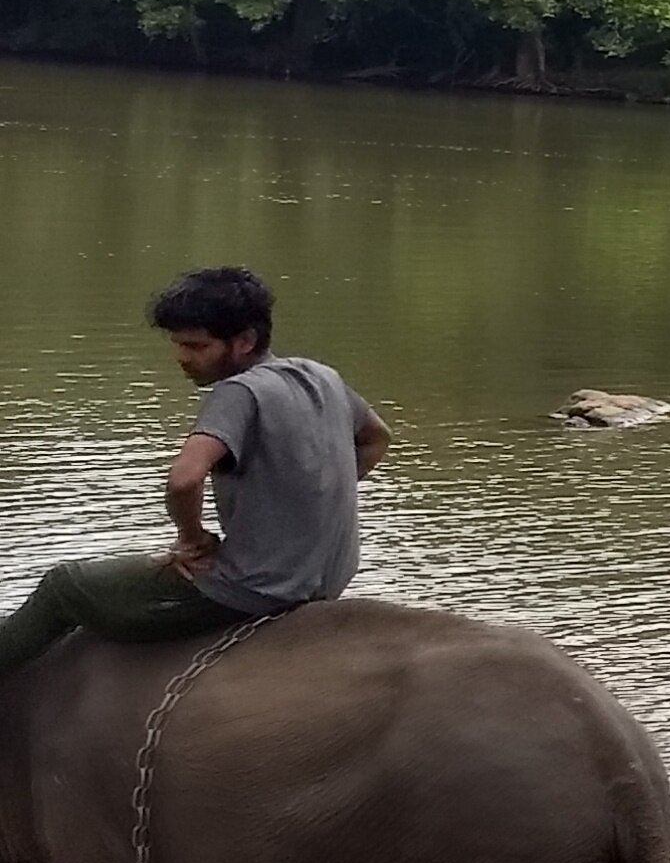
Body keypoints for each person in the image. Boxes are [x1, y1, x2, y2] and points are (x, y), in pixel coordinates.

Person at [0, 265, 389, 682]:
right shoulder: (321, 376)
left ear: (245, 341)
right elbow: (377, 438)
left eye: (195, 345)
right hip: (330, 578)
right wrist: (309, 496)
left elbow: (184, 478)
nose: (181, 357)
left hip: (254, 590)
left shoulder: (238, 391)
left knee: (64, 586)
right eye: (177, 343)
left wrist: (192, 538)